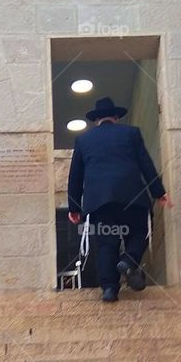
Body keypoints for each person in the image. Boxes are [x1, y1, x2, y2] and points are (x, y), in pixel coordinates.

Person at [67, 97, 172, 302]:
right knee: (139, 232)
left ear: (96, 119)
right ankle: (129, 260)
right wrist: (159, 192)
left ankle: (109, 289)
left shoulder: (83, 141)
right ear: (116, 117)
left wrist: (74, 207)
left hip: (99, 202)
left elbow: (75, 176)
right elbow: (146, 165)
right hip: (132, 196)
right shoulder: (131, 133)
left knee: (106, 243)